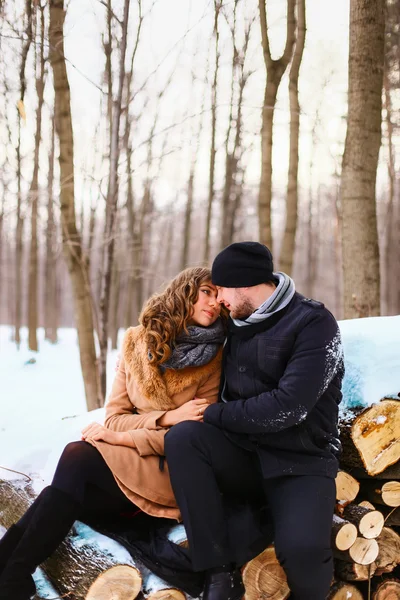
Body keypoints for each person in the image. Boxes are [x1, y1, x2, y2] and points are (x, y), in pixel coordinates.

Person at [0, 267, 225, 600]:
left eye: (220, 297)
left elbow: (191, 436)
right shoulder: (136, 342)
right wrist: (166, 418)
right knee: (72, 470)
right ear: (184, 292)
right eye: (207, 292)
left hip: (172, 470)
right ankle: (11, 575)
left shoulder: (215, 359)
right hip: (129, 459)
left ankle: (13, 575)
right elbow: (115, 418)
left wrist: (130, 434)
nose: (215, 303)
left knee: (78, 458)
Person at [165, 242, 345, 600]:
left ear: (244, 285)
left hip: (301, 461)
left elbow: (289, 406)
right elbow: (181, 330)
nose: (218, 300)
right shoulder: (233, 323)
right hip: (245, 453)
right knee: (184, 438)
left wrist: (214, 413)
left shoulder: (314, 323)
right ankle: (217, 577)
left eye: (221, 290)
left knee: (304, 555)